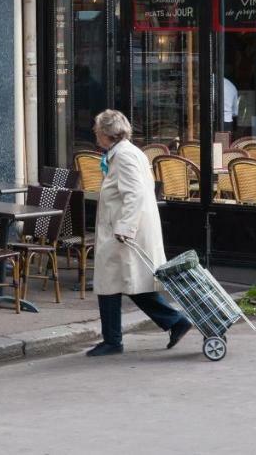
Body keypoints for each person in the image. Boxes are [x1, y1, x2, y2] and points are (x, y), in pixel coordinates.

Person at [86, 109, 192, 356]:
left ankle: (114, 341)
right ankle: (174, 322)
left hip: (122, 231)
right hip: (124, 229)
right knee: (126, 282)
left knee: (112, 283)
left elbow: (134, 194)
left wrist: (124, 228)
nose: (95, 134)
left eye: (97, 131)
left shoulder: (123, 156)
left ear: (106, 133)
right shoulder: (126, 152)